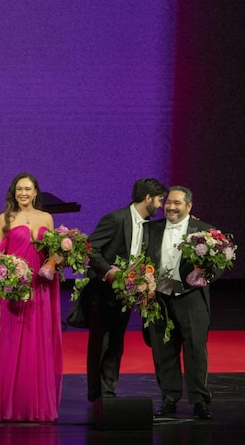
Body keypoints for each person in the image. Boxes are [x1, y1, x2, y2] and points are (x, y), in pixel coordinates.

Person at [0, 173, 63, 421]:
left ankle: (32, 405)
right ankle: (7, 404)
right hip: (13, 290)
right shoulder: (5, 218)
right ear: (14, 191)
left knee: (36, 343)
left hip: (40, 287)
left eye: (28, 189)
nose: (23, 193)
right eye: (19, 189)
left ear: (35, 192)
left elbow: (53, 253)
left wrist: (56, 261)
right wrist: (3, 279)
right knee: (10, 345)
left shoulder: (47, 218)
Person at [74, 177, 166, 402]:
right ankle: (97, 395)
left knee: (116, 345)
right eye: (160, 200)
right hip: (102, 293)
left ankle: (108, 392)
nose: (161, 205)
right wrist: (109, 272)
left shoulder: (149, 226)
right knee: (101, 344)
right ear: (148, 198)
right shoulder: (116, 219)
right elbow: (89, 248)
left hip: (127, 296)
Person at [146, 186, 220, 420]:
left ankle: (200, 400)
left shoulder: (205, 231)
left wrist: (205, 275)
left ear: (189, 206)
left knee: (196, 350)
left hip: (191, 298)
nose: (171, 207)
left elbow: (218, 265)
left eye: (177, 203)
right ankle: (169, 399)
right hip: (159, 299)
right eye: (168, 202)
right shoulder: (151, 229)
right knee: (163, 351)